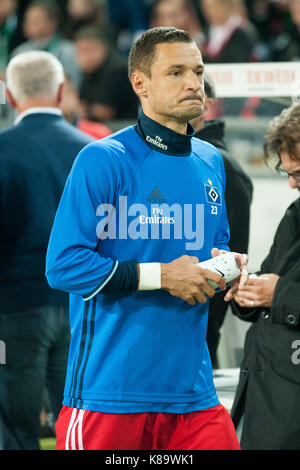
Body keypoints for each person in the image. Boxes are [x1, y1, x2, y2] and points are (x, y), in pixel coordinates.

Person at [46, 26, 249, 451]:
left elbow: (215, 249)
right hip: (109, 395)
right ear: (140, 82)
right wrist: (163, 276)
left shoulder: (212, 162)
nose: (193, 82)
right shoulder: (102, 159)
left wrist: (226, 269)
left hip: (193, 394)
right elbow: (63, 264)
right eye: (176, 72)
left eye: (197, 70)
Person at [0, 50, 93, 450]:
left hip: (15, 307)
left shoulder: (3, 149)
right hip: (83, 307)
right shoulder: (94, 151)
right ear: (60, 91)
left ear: (10, 94)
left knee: (16, 430)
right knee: (80, 428)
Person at [230, 102, 300, 450]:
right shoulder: (296, 214)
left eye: (298, 174)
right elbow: (272, 277)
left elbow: (281, 290)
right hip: (269, 400)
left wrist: (278, 294)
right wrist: (243, 285)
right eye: (287, 172)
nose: (290, 184)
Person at [191, 73, 253, 367]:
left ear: (209, 105)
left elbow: (230, 262)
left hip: (196, 332)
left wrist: (205, 328)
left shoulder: (223, 168)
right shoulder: (161, 159)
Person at [10, 0, 80, 88]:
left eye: (36, 19)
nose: (30, 23)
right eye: (28, 19)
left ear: (53, 22)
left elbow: (76, 86)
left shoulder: (70, 51)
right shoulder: (19, 53)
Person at [75, 26, 138, 123]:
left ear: (102, 48)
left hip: (123, 126)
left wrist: (86, 110)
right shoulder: (88, 71)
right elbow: (81, 102)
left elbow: (107, 112)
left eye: (88, 50)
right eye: (80, 51)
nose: (83, 57)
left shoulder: (118, 69)